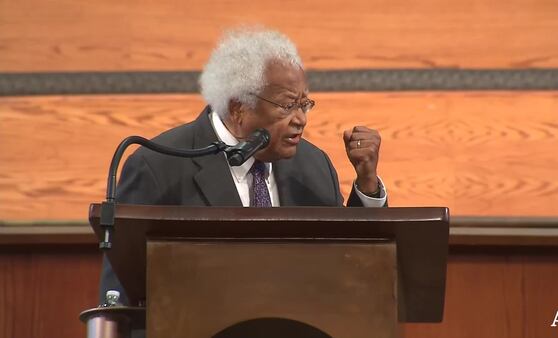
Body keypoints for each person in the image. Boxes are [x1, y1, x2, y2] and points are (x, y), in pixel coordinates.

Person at [99, 27, 388, 307]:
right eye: (288, 106)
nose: (301, 119)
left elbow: (349, 264)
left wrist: (367, 185)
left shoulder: (314, 166)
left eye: (305, 104)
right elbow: (121, 299)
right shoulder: (159, 166)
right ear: (238, 108)